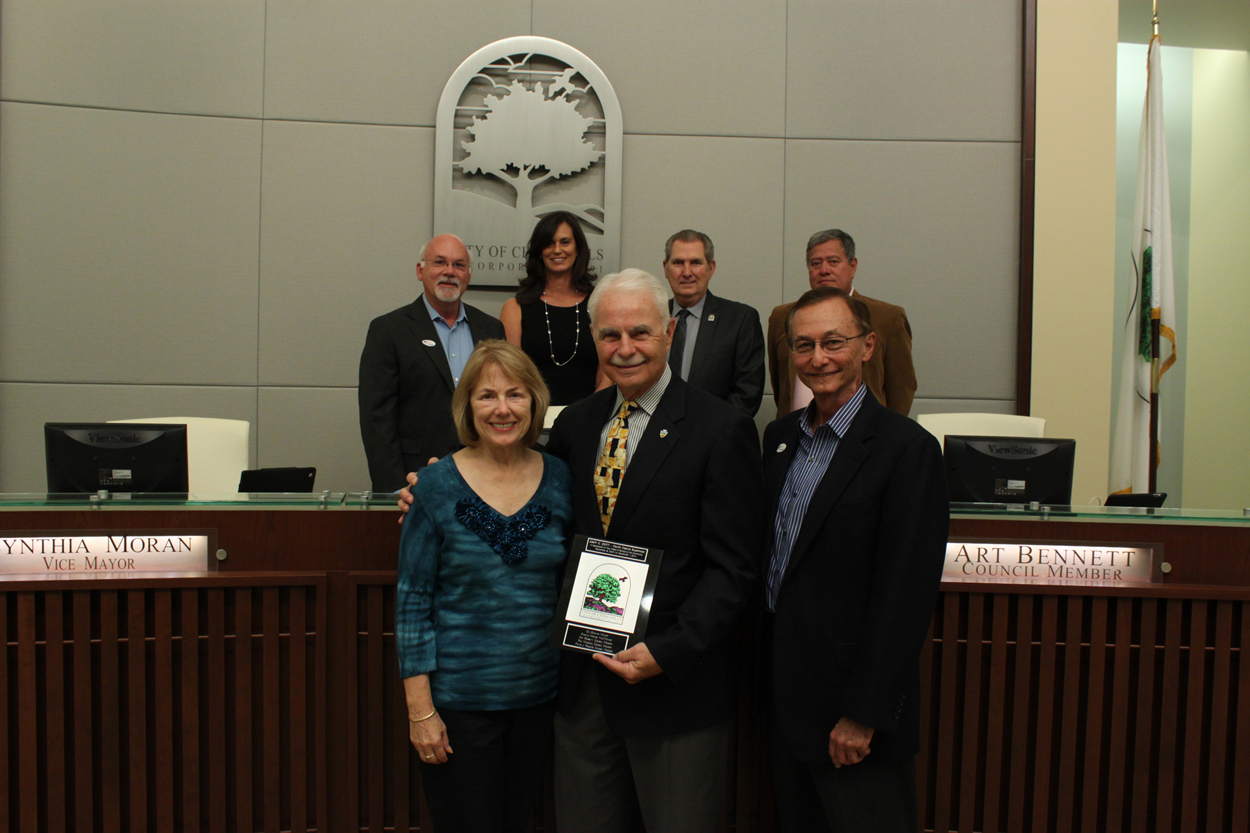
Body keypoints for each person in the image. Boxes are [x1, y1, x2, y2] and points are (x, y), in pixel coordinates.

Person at [399, 268, 764, 832]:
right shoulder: (577, 425)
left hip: (673, 688)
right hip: (582, 688)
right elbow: (513, 478)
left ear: (669, 332)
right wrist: (432, 484)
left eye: (639, 333)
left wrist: (668, 650)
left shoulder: (723, 429)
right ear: (593, 338)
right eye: (610, 336)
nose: (624, 349)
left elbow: (735, 571)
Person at [761, 287, 948, 832]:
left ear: (867, 346)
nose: (817, 358)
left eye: (833, 342)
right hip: (786, 704)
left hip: (852, 716)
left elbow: (905, 596)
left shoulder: (906, 450)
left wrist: (863, 713)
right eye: (803, 345)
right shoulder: (779, 441)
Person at [397, 340, 574, 833]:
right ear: (467, 406)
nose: (502, 409)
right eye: (487, 396)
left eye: (515, 395)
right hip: (457, 708)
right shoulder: (434, 486)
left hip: (539, 701)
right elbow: (412, 603)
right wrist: (420, 712)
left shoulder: (562, 480)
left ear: (535, 403)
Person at [358, 233, 505, 493]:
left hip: (484, 475)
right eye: (439, 262)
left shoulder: (491, 328)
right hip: (415, 478)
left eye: (459, 265)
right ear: (420, 270)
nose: (449, 272)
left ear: (468, 275)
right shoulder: (389, 330)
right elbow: (376, 419)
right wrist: (394, 488)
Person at [767, 229, 916, 419]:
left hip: (863, 436)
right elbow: (780, 384)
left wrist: (884, 434)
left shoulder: (887, 317)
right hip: (796, 433)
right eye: (816, 263)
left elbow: (901, 388)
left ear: (853, 266)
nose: (824, 270)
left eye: (833, 262)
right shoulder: (782, 316)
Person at [501, 212, 607, 405]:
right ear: (539, 251)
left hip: (589, 418)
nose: (557, 250)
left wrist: (589, 415)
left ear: (578, 248)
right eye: (549, 243)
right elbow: (512, 375)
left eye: (565, 242)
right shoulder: (514, 309)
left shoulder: (600, 304)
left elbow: (608, 372)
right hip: (532, 421)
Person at [662, 229, 766, 416]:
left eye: (696, 263)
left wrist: (707, 436)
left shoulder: (740, 320)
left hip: (714, 439)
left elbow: (747, 395)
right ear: (665, 268)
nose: (687, 272)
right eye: (678, 263)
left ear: (711, 268)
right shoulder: (653, 318)